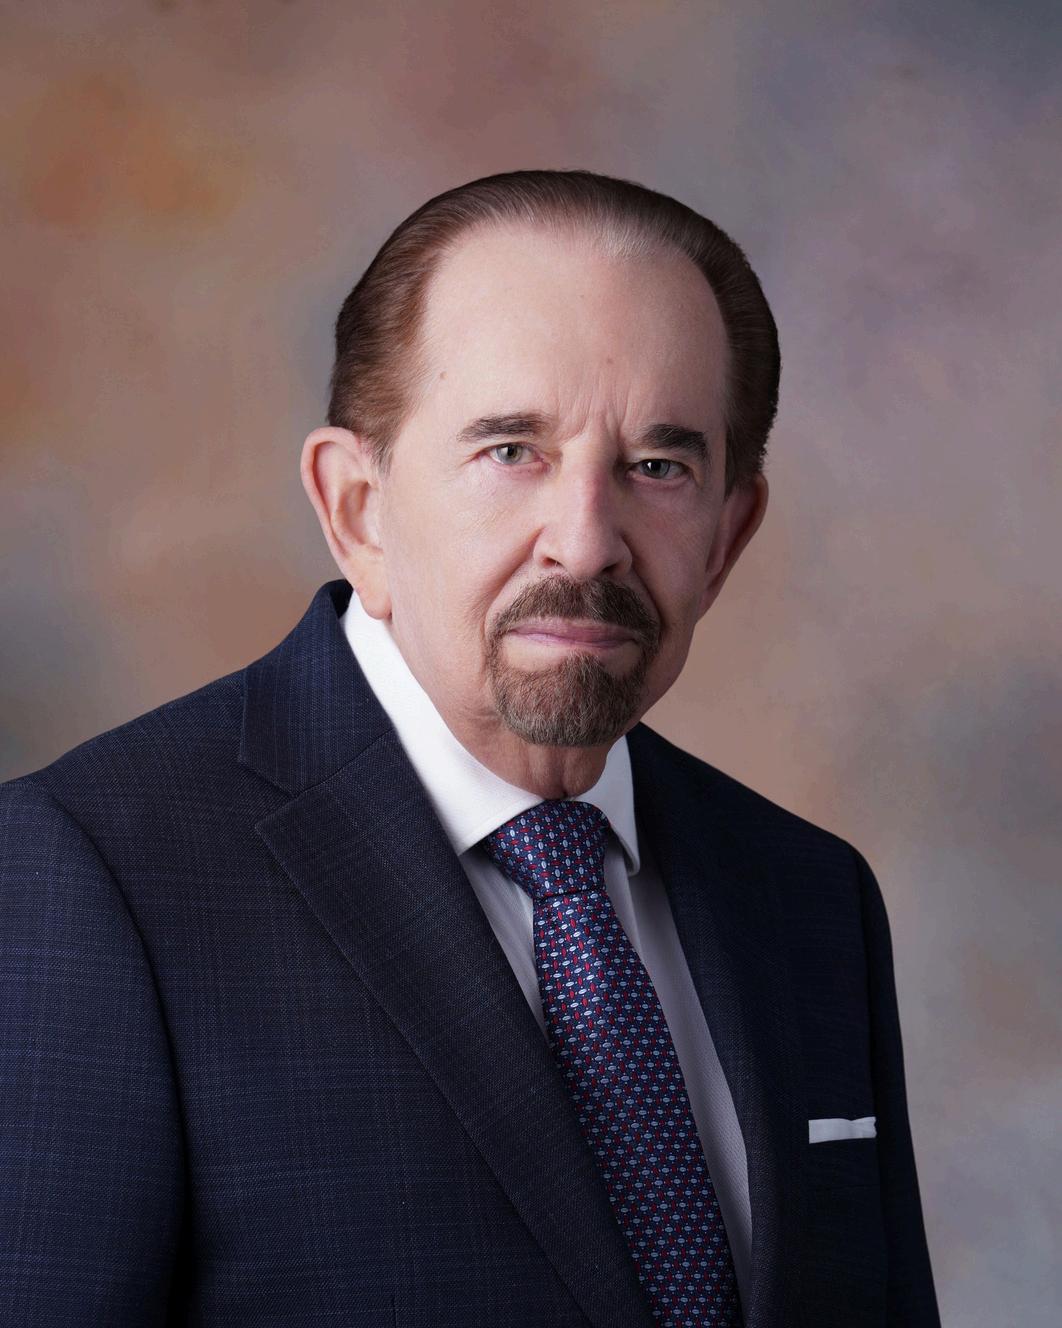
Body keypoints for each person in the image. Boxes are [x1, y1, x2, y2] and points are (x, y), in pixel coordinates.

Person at [0, 170, 939, 1327]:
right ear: (357, 507)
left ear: (727, 536)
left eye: (659, 466)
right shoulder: (94, 875)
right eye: (511, 450)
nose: (586, 543)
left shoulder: (810, 898)